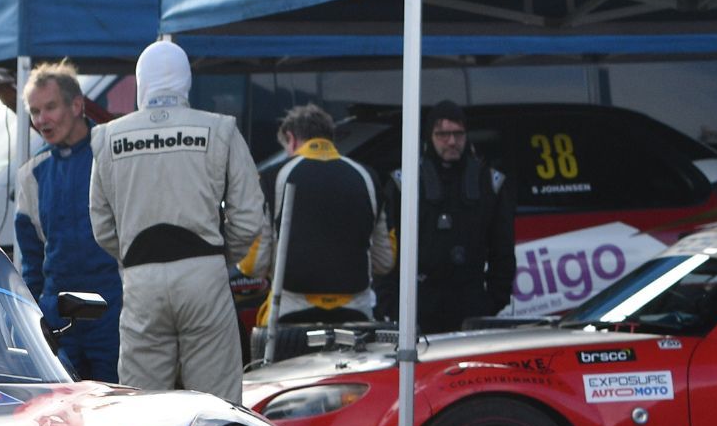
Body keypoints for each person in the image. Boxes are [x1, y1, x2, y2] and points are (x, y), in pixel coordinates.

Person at [88, 40, 266, 401]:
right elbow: (248, 215)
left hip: (141, 278)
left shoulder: (108, 138)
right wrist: (218, 257)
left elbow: (101, 225)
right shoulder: (220, 130)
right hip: (205, 273)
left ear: (140, 83)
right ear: (186, 82)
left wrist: (132, 258)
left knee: (143, 408)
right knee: (217, 407)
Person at [14, 61, 122, 381]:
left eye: (50, 108)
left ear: (77, 105)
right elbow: (31, 261)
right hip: (59, 317)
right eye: (34, 112)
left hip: (112, 312)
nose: (42, 120)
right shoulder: (31, 174)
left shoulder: (111, 156)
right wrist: (33, 319)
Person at [258, 103, 394, 324]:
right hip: (355, 314)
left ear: (291, 138)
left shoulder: (273, 177)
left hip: (289, 315)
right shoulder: (367, 177)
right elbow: (385, 261)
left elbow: (255, 263)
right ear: (331, 138)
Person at [390, 100, 517, 333]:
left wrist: (493, 302)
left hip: (472, 305)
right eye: (443, 134)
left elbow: (503, 251)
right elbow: (389, 253)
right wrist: (394, 306)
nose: (452, 141)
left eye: (458, 134)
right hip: (419, 307)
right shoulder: (404, 183)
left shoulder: (490, 183)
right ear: (429, 136)